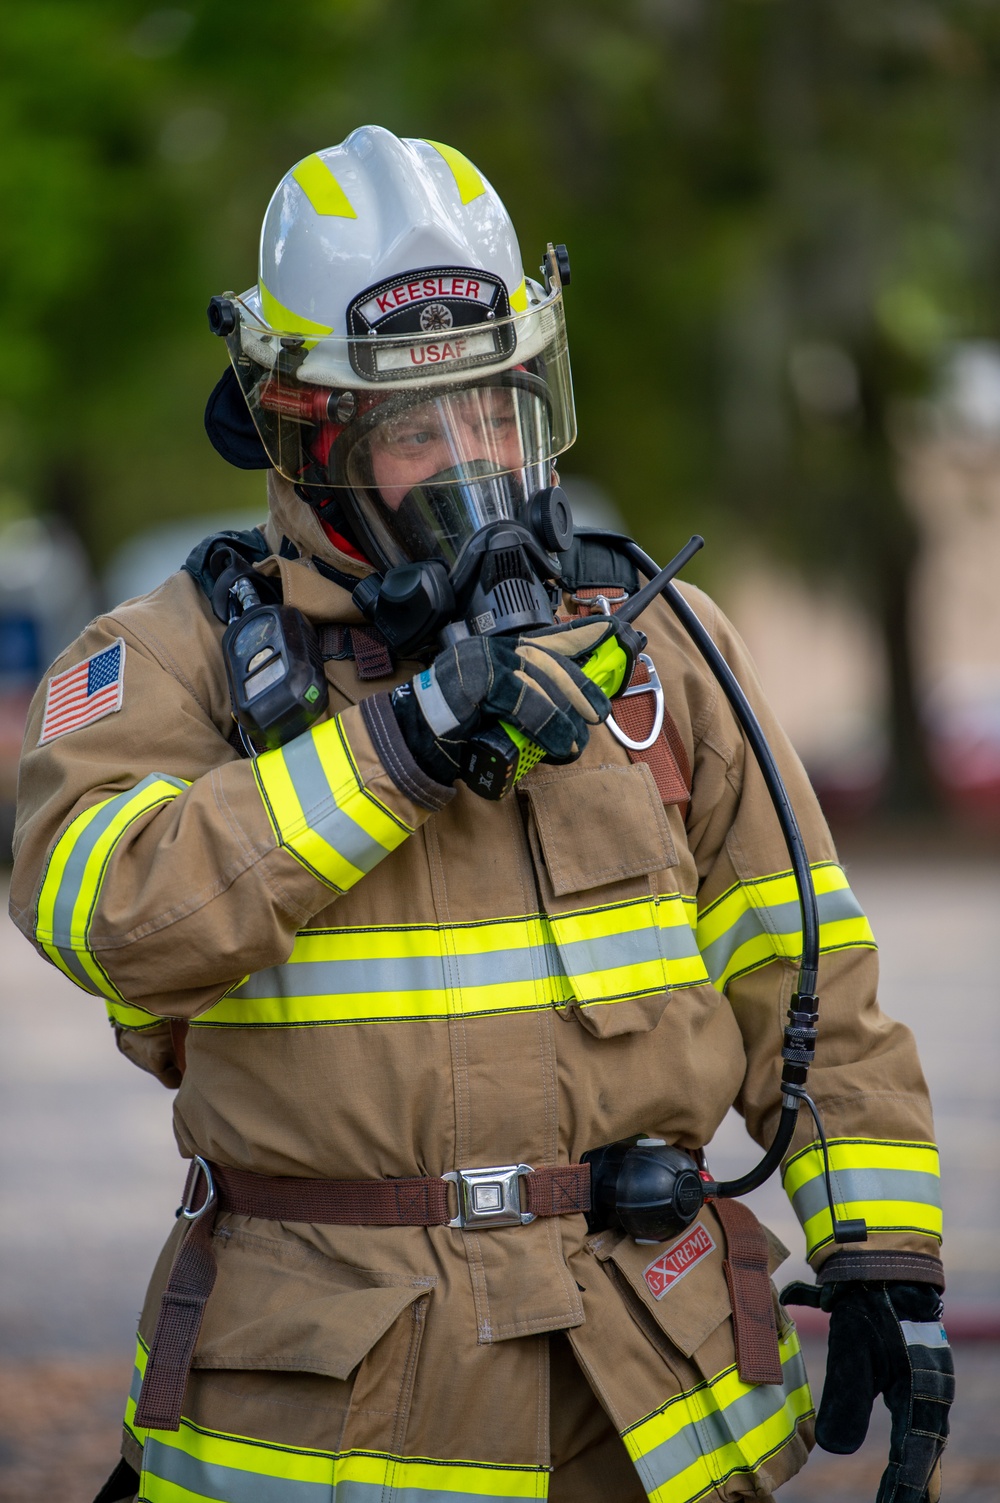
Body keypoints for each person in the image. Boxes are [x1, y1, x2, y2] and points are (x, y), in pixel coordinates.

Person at [10, 125, 952, 1503]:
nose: (470, 465)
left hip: (652, 1404)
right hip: (333, 1417)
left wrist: (884, 1254)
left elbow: (808, 978)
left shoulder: (663, 646)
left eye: (492, 410)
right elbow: (110, 918)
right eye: (412, 430)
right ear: (309, 437)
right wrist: (402, 741)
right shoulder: (164, 664)